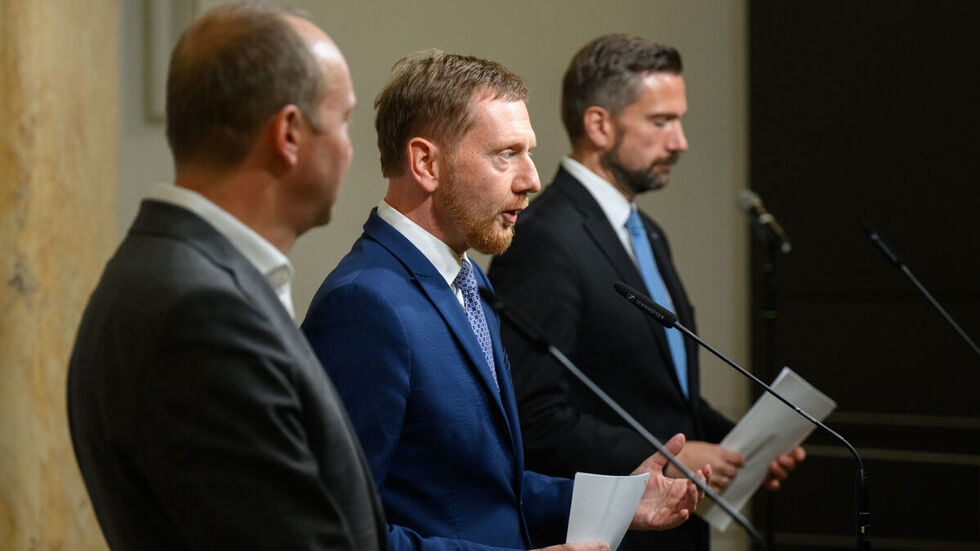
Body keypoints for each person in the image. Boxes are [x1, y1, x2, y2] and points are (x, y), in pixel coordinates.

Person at [301, 50, 705, 551]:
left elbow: (487, 490)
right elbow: (334, 529)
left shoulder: (468, 280)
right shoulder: (364, 305)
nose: (532, 179)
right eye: (506, 154)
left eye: (528, 152)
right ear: (426, 162)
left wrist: (620, 502)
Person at [66, 4, 386, 550]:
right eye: (344, 120)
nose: (351, 149)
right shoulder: (199, 313)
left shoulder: (178, 275)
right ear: (288, 134)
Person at [488, 34, 805, 551]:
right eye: (662, 122)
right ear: (599, 125)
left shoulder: (646, 231)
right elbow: (536, 415)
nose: (679, 141)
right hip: (611, 536)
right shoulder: (543, 238)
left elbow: (659, 391)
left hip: (677, 529)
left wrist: (735, 445)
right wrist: (674, 453)